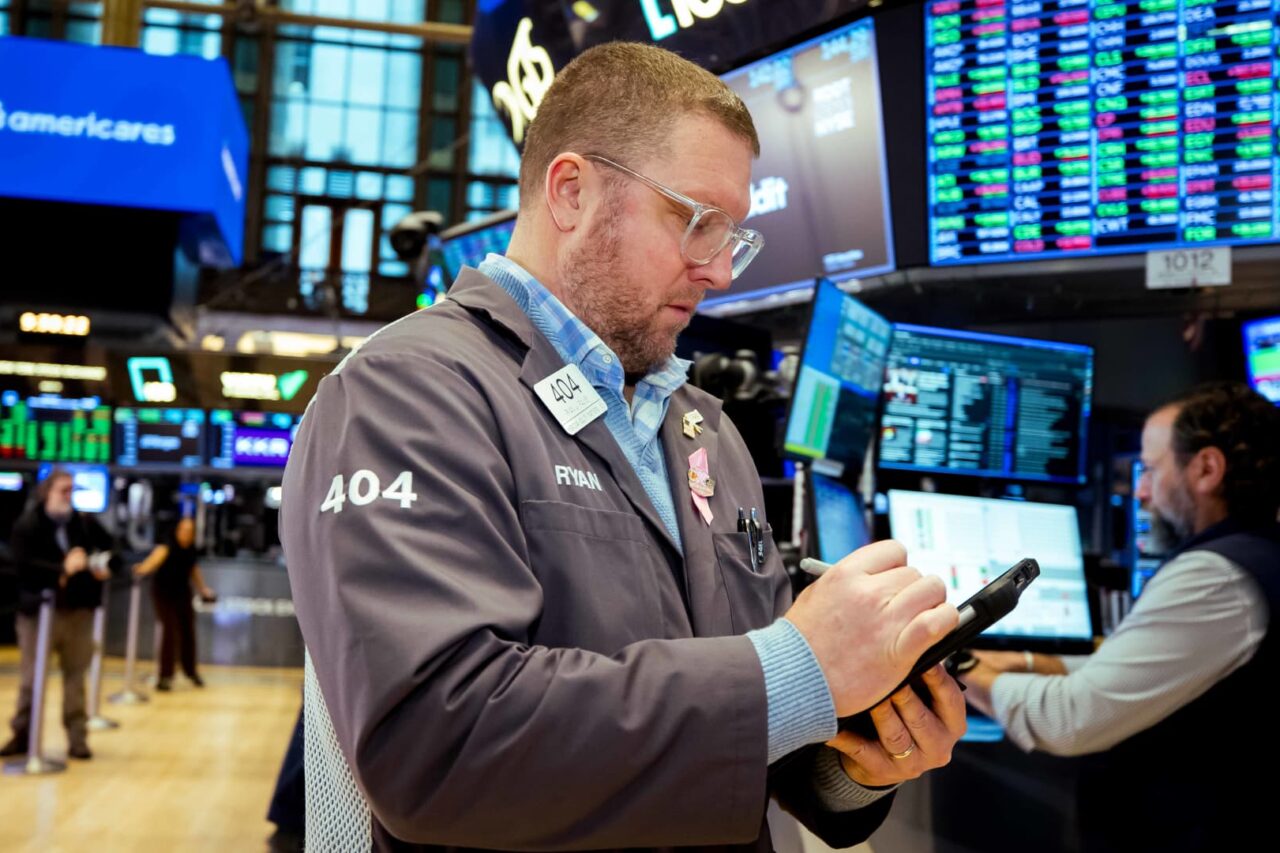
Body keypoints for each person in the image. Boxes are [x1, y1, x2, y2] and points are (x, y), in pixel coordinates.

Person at [282, 42, 966, 852]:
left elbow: (753, 748)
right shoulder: (408, 390)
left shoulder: (704, 428)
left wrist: (861, 758)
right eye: (697, 222)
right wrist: (793, 667)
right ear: (571, 191)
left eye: (734, 236)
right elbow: (439, 746)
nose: (720, 271)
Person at [960, 382, 1280, 853]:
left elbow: (1067, 720)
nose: (1140, 491)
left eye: (1150, 469)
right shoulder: (1256, 554)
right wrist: (1024, 662)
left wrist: (956, 666)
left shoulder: (1217, 577)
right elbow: (1132, 667)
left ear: (1207, 469)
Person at [1, 468, 116, 760]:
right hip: (38, 614)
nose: (69, 496)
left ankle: (77, 739)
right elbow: (22, 565)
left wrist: (97, 564)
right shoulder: (28, 525)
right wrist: (62, 569)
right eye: (63, 490)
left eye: (72, 490)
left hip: (77, 611)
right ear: (47, 492)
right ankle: (23, 736)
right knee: (31, 678)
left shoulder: (84, 523)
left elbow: (115, 552)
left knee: (75, 677)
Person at [131, 517, 214, 691]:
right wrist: (141, 569)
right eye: (183, 530)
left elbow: (194, 571)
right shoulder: (166, 547)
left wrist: (203, 589)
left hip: (182, 593)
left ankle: (190, 672)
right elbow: (152, 562)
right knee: (169, 631)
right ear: (177, 531)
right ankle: (165, 676)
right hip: (163, 592)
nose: (186, 534)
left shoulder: (191, 550)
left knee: (188, 631)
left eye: (190, 531)